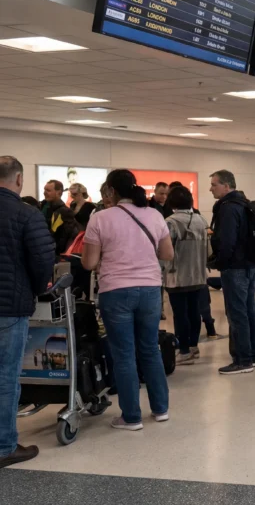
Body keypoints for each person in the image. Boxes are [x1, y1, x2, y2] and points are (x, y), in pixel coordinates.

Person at [81, 169, 173, 431]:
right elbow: (167, 253)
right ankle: (161, 409)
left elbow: (88, 263)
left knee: (123, 354)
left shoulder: (100, 219)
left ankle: (131, 417)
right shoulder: (154, 214)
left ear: (110, 191)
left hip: (116, 291)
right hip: (150, 290)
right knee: (150, 349)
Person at [0, 156, 55, 467]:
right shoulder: (25, 214)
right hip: (9, 308)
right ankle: (4, 445)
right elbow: (42, 260)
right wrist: (37, 289)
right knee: (6, 377)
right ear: (19, 180)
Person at [209, 170, 255, 375]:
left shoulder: (228, 208)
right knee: (248, 311)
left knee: (237, 314)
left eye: (214, 184)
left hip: (236, 267)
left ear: (227, 186)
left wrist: (220, 262)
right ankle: (252, 354)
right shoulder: (244, 203)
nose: (211, 188)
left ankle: (242, 360)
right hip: (250, 265)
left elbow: (227, 241)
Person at [164, 186, 209, 366]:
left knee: (179, 314)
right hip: (198, 274)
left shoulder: (170, 222)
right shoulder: (200, 219)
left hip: (177, 276)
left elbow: (165, 251)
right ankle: (193, 347)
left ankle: (183, 351)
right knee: (194, 311)